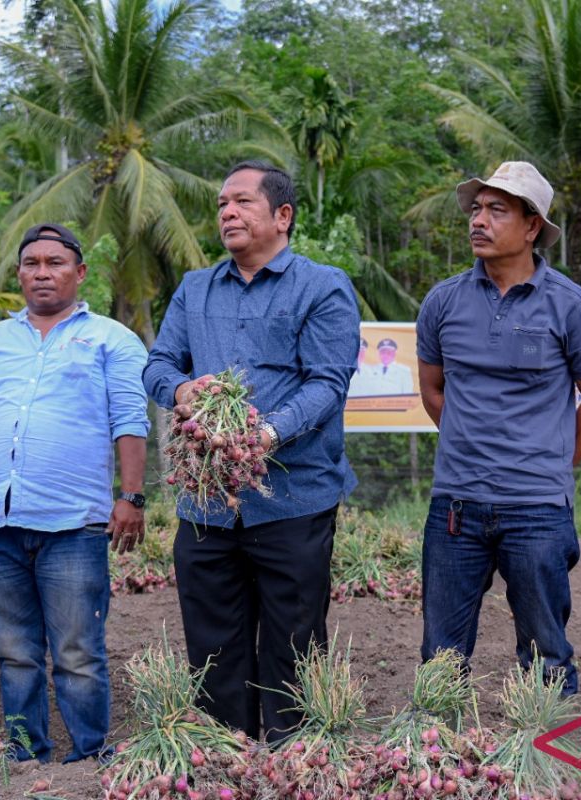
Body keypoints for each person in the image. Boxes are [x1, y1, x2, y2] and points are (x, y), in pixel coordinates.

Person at [143, 160, 360, 741]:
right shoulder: (195, 288)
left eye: (241, 202)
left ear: (282, 215)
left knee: (293, 635)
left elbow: (327, 384)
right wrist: (185, 390)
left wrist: (262, 436)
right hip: (207, 501)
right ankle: (225, 750)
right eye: (221, 205)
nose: (227, 213)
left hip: (293, 494)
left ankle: (293, 755)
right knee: (213, 638)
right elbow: (159, 365)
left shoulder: (322, 286)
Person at [0, 223, 149, 763]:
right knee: (14, 652)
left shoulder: (111, 338)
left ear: (79, 272)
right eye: (31, 263)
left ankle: (90, 754)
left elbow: (130, 419)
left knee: (77, 652)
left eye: (55, 262)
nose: (42, 272)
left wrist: (132, 496)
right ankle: (26, 752)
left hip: (74, 527)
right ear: (20, 273)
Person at [415, 161, 581, 693]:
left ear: (531, 227)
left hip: (537, 511)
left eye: (496, 210)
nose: (478, 220)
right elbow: (434, 392)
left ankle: (549, 761)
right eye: (476, 208)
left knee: (546, 653)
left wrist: (549, 460)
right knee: (440, 655)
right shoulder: (442, 302)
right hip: (455, 507)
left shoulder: (571, 305)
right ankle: (440, 756)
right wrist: (470, 446)